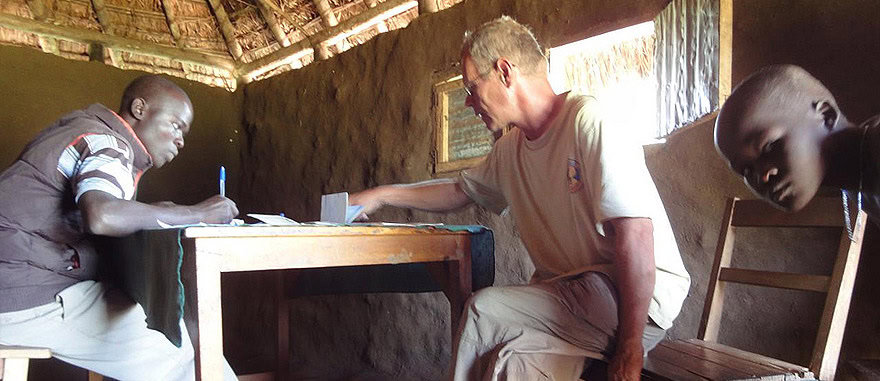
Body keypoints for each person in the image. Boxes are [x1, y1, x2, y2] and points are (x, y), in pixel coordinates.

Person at [350, 17, 690, 380]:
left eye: (471, 86)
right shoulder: (510, 150)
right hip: (570, 298)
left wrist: (629, 348)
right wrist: (381, 195)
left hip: (630, 303)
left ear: (505, 72)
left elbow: (636, 233)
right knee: (514, 365)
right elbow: (457, 190)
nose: (468, 102)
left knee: (484, 310)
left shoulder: (588, 121)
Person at [0, 75, 239, 380]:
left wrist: (165, 212)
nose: (181, 140)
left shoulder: (79, 129)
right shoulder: (110, 144)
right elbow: (103, 216)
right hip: (21, 293)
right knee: (188, 359)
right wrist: (197, 213)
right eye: (176, 125)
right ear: (140, 109)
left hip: (19, 278)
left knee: (161, 323)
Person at [715, 64, 880, 221]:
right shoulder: (858, 183)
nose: (764, 176)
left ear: (825, 115)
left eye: (769, 146)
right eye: (746, 170)